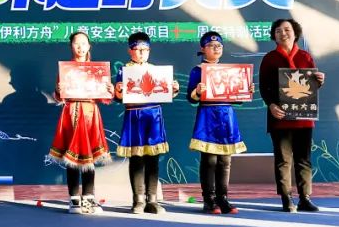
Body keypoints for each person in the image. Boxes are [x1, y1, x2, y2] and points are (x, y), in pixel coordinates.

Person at [258, 18, 325, 212]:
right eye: (278, 31)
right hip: (279, 117)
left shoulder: (305, 56)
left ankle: (305, 198)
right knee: (283, 160)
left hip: (303, 118)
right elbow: (263, 87)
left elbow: (311, 87)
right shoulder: (269, 58)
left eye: (287, 29)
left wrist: (319, 81)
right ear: (274, 36)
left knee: (304, 159)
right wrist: (271, 105)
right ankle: (286, 198)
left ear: (295, 33)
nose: (283, 33)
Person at [47, 32, 112, 215]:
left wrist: (109, 90)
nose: (80, 47)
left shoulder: (97, 70)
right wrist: (58, 90)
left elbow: (105, 98)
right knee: (72, 156)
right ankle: (74, 198)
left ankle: (89, 197)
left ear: (89, 46)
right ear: (71, 46)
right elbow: (59, 96)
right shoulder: (66, 69)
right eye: (77, 43)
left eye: (84, 43)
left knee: (89, 157)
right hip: (72, 112)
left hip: (90, 113)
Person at [114, 31, 178, 215]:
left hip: (154, 117)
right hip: (135, 116)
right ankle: (138, 200)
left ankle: (153, 200)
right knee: (136, 160)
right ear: (130, 51)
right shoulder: (124, 71)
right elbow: (117, 97)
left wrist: (173, 89)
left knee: (153, 159)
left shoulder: (156, 70)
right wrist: (118, 90)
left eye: (145, 49)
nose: (142, 53)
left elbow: (164, 93)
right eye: (138, 49)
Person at [186, 31, 250, 215]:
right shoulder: (197, 70)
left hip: (226, 116)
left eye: (219, 46)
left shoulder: (229, 71)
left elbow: (236, 99)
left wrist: (245, 90)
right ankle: (209, 199)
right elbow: (190, 97)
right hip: (208, 116)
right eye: (211, 45)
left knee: (225, 161)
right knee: (209, 160)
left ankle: (223, 198)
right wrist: (198, 91)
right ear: (202, 49)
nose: (216, 48)